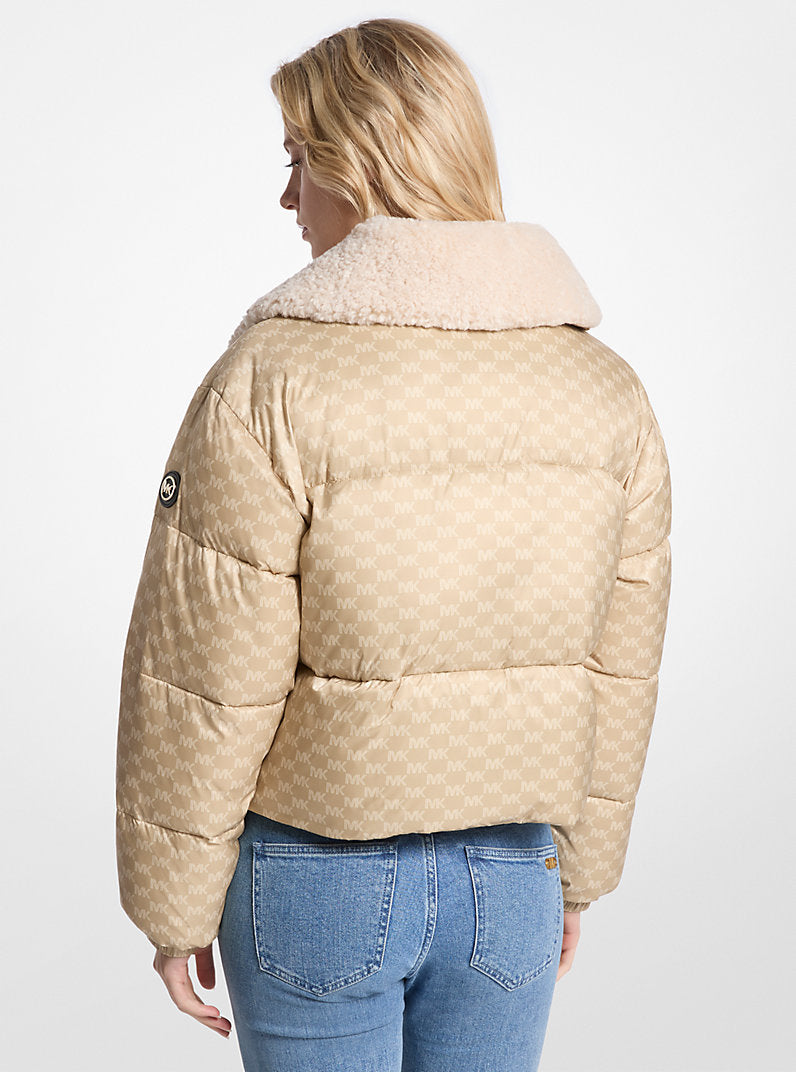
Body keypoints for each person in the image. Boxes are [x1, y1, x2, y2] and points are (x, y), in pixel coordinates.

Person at [115, 17, 672, 1072]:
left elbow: (206, 672)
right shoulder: (606, 390)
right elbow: (621, 663)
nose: (288, 199)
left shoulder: (271, 382)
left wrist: (172, 901)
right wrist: (580, 871)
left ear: (358, 165)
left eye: (297, 161)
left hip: (316, 879)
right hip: (512, 878)